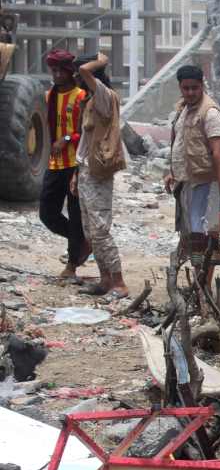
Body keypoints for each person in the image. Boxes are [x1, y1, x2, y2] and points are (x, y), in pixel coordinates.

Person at [72, 53, 128, 299]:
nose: (76, 76)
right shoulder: (92, 101)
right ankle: (105, 279)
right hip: (86, 171)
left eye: (79, 73)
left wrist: (100, 60)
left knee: (101, 230)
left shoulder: (105, 97)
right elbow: (85, 142)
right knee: (90, 230)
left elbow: (85, 71)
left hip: (98, 175)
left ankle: (119, 282)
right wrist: (76, 173)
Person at [165, 65, 220, 280]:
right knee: (192, 233)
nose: (190, 92)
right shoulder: (182, 110)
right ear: (180, 88)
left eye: (194, 88)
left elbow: (218, 149)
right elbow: (179, 143)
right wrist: (171, 171)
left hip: (206, 182)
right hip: (186, 181)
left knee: (205, 232)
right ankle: (199, 281)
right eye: (186, 88)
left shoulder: (210, 112)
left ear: (202, 85)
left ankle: (204, 284)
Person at [40, 49, 88, 280]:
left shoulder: (81, 97)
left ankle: (71, 264)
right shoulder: (49, 96)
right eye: (54, 70)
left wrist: (68, 139)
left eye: (61, 70)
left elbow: (86, 131)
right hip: (55, 164)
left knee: (76, 214)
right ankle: (80, 240)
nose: (57, 74)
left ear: (70, 72)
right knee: (47, 214)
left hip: (76, 165)